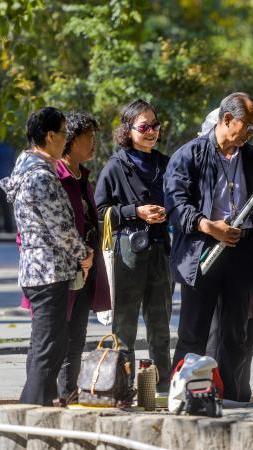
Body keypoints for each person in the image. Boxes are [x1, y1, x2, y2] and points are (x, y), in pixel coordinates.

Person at [164, 92, 253, 401]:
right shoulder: (189, 155)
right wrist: (207, 226)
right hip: (203, 251)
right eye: (248, 125)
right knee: (193, 332)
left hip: (241, 253)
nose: (250, 133)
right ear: (227, 119)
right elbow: (176, 204)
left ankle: (229, 398)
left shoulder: (252, 157)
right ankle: (184, 396)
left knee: (235, 334)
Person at [0, 107, 93, 406]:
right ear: (49, 136)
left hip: (42, 271)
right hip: (47, 272)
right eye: (64, 133)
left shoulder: (29, 168)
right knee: (48, 348)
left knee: (48, 347)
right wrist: (85, 253)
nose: (66, 140)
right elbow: (61, 229)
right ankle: (32, 412)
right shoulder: (40, 176)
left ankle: (40, 406)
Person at [95, 99, 173, 392]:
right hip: (127, 253)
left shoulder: (166, 164)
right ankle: (121, 388)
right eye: (144, 127)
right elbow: (98, 212)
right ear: (128, 130)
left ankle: (161, 388)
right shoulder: (115, 167)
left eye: (155, 126)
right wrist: (134, 212)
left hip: (161, 251)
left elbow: (181, 201)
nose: (151, 131)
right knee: (124, 327)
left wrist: (169, 212)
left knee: (161, 326)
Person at [55, 112, 111, 403]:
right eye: (88, 137)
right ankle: (55, 396)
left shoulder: (82, 176)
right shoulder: (56, 177)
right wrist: (78, 255)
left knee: (77, 338)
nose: (93, 143)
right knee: (58, 338)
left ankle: (69, 395)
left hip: (86, 269)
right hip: (63, 271)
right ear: (70, 140)